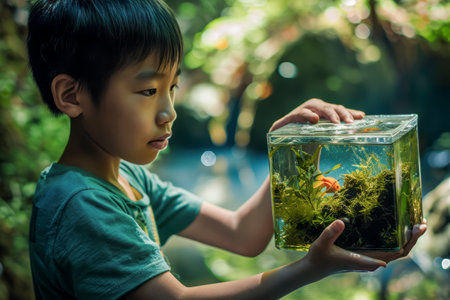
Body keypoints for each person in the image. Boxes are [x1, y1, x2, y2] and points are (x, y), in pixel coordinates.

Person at [27, 0, 427, 299]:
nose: (168, 112)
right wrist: (310, 269)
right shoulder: (81, 204)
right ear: (71, 95)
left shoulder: (128, 179)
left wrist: (289, 158)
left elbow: (242, 236)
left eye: (172, 88)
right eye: (148, 91)